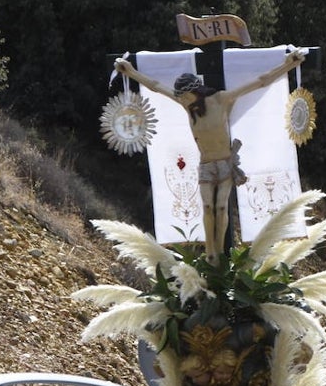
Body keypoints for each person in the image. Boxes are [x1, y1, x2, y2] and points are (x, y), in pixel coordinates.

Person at [115, 50, 306, 261]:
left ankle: (220, 252)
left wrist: (287, 65)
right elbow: (156, 86)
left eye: (184, 95)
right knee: (207, 207)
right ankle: (211, 252)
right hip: (205, 165)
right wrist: (131, 72)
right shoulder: (188, 106)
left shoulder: (221, 99)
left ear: (194, 91)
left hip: (224, 164)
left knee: (221, 206)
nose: (182, 99)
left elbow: (260, 81)